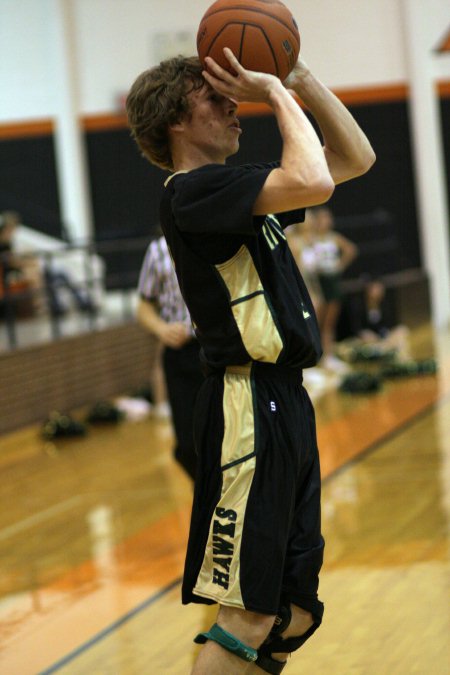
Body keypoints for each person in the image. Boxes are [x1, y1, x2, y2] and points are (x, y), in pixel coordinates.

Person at [126, 48, 375, 674]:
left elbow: (352, 161)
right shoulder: (193, 191)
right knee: (249, 611)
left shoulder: (234, 191)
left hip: (284, 397)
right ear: (175, 122)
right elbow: (315, 181)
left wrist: (301, 80)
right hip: (246, 403)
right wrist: (271, 90)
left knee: (293, 610)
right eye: (215, 99)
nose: (235, 107)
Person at [136, 233, 204, 480]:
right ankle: (203, 502)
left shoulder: (218, 238)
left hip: (218, 351)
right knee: (187, 446)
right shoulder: (157, 251)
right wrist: (161, 329)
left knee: (223, 439)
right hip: (181, 355)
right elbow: (143, 307)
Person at [312, 205, 358, 372]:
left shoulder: (334, 237)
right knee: (316, 321)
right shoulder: (311, 238)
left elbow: (351, 249)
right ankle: (315, 358)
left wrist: (339, 265)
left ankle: (328, 357)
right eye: (322, 218)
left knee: (329, 323)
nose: (325, 221)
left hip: (332, 280)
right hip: (318, 281)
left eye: (327, 218)